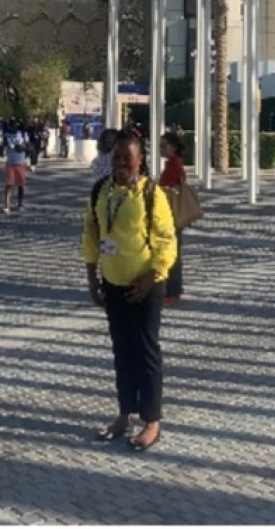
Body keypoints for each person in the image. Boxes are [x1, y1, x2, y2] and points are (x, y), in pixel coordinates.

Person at [83, 130, 177, 453]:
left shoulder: (152, 194)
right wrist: (92, 277)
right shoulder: (101, 192)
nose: (121, 161)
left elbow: (167, 241)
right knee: (122, 351)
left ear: (141, 160)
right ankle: (125, 414)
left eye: (128, 156)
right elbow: (91, 235)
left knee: (146, 351)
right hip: (113, 284)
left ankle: (152, 420)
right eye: (117, 155)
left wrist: (153, 277)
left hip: (145, 285)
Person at [158, 132, 187, 306]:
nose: (161, 149)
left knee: (173, 253)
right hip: (170, 212)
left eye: (163, 145)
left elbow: (171, 188)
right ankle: (172, 289)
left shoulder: (174, 165)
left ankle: (173, 291)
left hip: (172, 213)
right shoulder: (172, 164)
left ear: (173, 147)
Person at [2, 123, 30, 213]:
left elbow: (28, 147)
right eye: (11, 124)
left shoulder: (22, 134)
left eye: (14, 125)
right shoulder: (6, 135)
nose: (12, 127)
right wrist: (3, 143)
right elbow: (1, 148)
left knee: (21, 184)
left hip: (20, 162)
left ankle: (20, 203)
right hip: (10, 162)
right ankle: (7, 205)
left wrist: (22, 148)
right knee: (9, 184)